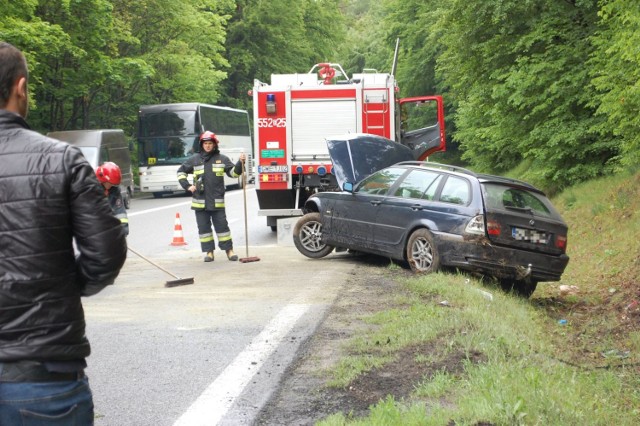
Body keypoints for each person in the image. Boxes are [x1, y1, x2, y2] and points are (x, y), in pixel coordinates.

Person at [0, 42, 127, 424]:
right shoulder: (60, 158)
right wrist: (62, 285)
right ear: (21, 87)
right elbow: (105, 255)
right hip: (43, 375)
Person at [177, 131, 245, 262]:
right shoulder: (194, 159)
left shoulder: (222, 159)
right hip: (199, 202)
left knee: (223, 228)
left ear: (214, 145)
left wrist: (239, 164)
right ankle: (209, 253)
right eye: (205, 143)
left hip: (216, 202)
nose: (207, 146)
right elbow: (180, 172)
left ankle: (229, 251)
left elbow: (234, 174)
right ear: (201, 145)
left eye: (210, 143)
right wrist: (187, 186)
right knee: (204, 230)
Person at [96, 161, 129, 235]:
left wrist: (123, 230)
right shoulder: (91, 190)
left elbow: (120, 212)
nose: (111, 186)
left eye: (113, 184)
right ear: (102, 179)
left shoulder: (114, 189)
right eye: (110, 183)